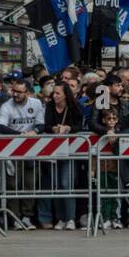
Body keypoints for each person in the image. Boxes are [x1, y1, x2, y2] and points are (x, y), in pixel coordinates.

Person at [39, 82, 82, 230]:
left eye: (58, 93)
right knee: (55, 184)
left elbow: (79, 126)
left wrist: (68, 128)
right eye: (54, 93)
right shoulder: (49, 107)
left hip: (70, 150)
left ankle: (70, 218)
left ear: (65, 95)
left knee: (66, 183)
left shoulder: (75, 107)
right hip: (53, 149)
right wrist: (53, 128)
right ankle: (61, 218)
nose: (55, 96)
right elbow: (45, 125)